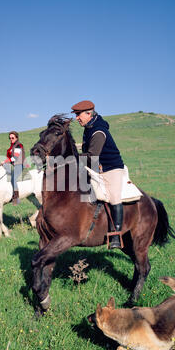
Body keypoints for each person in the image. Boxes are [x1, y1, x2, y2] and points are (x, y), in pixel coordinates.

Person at [71, 100, 124, 249]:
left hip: (111, 168)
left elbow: (92, 155)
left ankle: (116, 235)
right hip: (96, 168)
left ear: (89, 113)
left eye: (78, 115)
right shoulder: (89, 127)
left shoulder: (98, 131)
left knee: (114, 196)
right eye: (75, 115)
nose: (77, 118)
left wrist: (72, 157)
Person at [1, 131, 25, 205]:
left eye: (13, 138)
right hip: (14, 165)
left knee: (13, 179)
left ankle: (16, 198)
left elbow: (15, 158)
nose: (11, 139)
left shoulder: (18, 145)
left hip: (19, 165)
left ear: (16, 138)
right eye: (10, 138)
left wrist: (5, 161)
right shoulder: (12, 146)